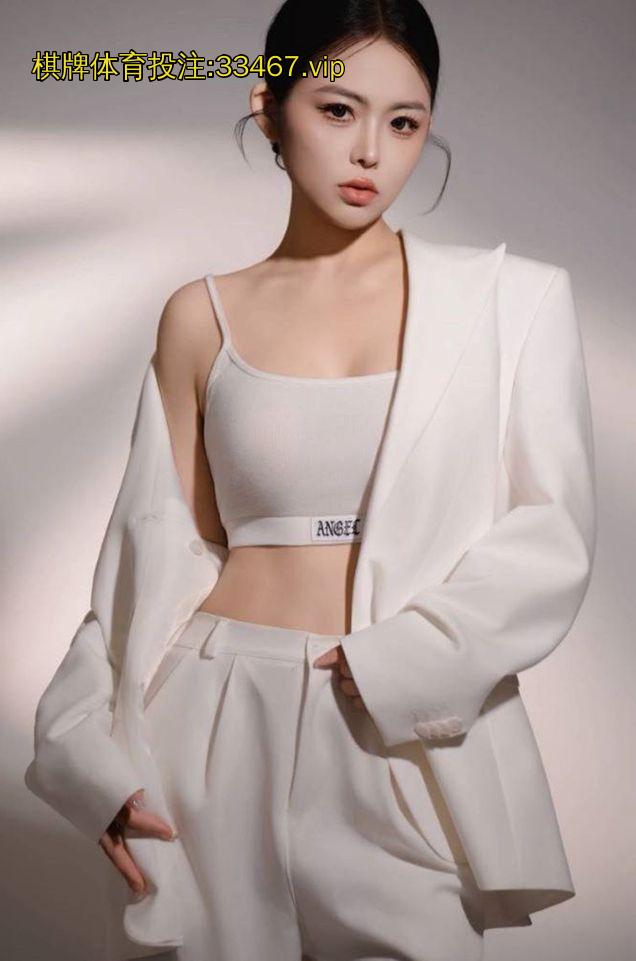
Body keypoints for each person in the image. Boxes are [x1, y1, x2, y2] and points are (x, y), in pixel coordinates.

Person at [26, 2, 597, 960]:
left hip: (394, 720)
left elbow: (554, 534)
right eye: (338, 110)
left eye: (404, 122)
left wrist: (400, 662)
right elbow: (150, 557)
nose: (371, 150)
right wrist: (87, 752)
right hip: (209, 716)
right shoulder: (199, 315)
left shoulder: (512, 302)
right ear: (269, 109)